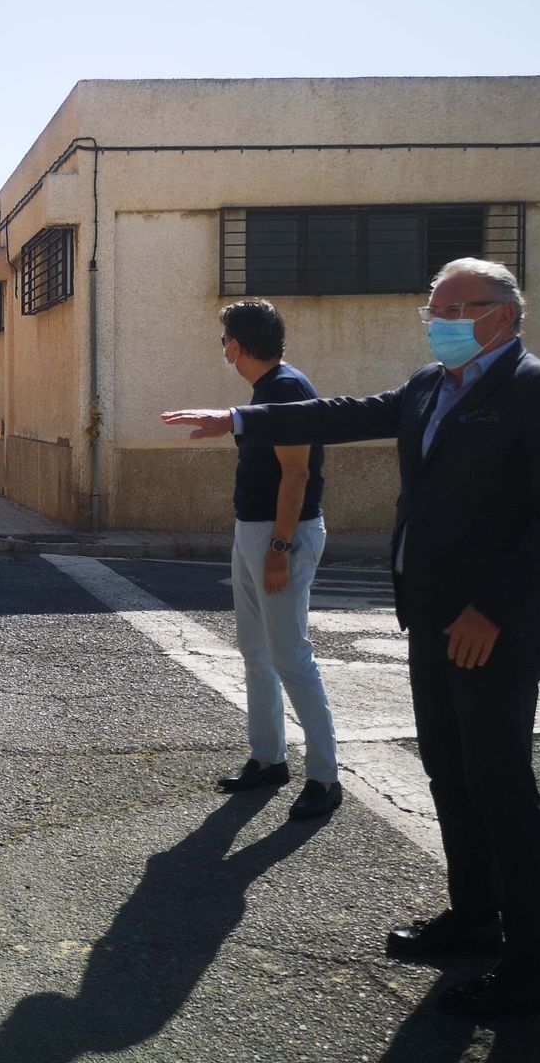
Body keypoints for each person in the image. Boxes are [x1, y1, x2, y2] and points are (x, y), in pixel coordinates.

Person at [163, 259, 540, 1019]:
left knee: (501, 788)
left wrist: (492, 610)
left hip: (494, 627)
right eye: (433, 311)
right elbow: (341, 414)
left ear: (502, 313)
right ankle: (472, 921)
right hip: (430, 618)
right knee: (449, 777)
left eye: (455, 308)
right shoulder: (430, 386)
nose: (440, 322)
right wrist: (236, 420)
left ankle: (532, 969)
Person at [212, 300, 341, 821]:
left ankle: (325, 777)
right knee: (255, 650)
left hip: (278, 535)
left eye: (224, 340)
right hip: (254, 530)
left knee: (290, 655)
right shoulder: (269, 390)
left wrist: (279, 551)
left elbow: (298, 476)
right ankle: (268, 758)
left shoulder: (287, 390)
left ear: (237, 346)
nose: (222, 348)